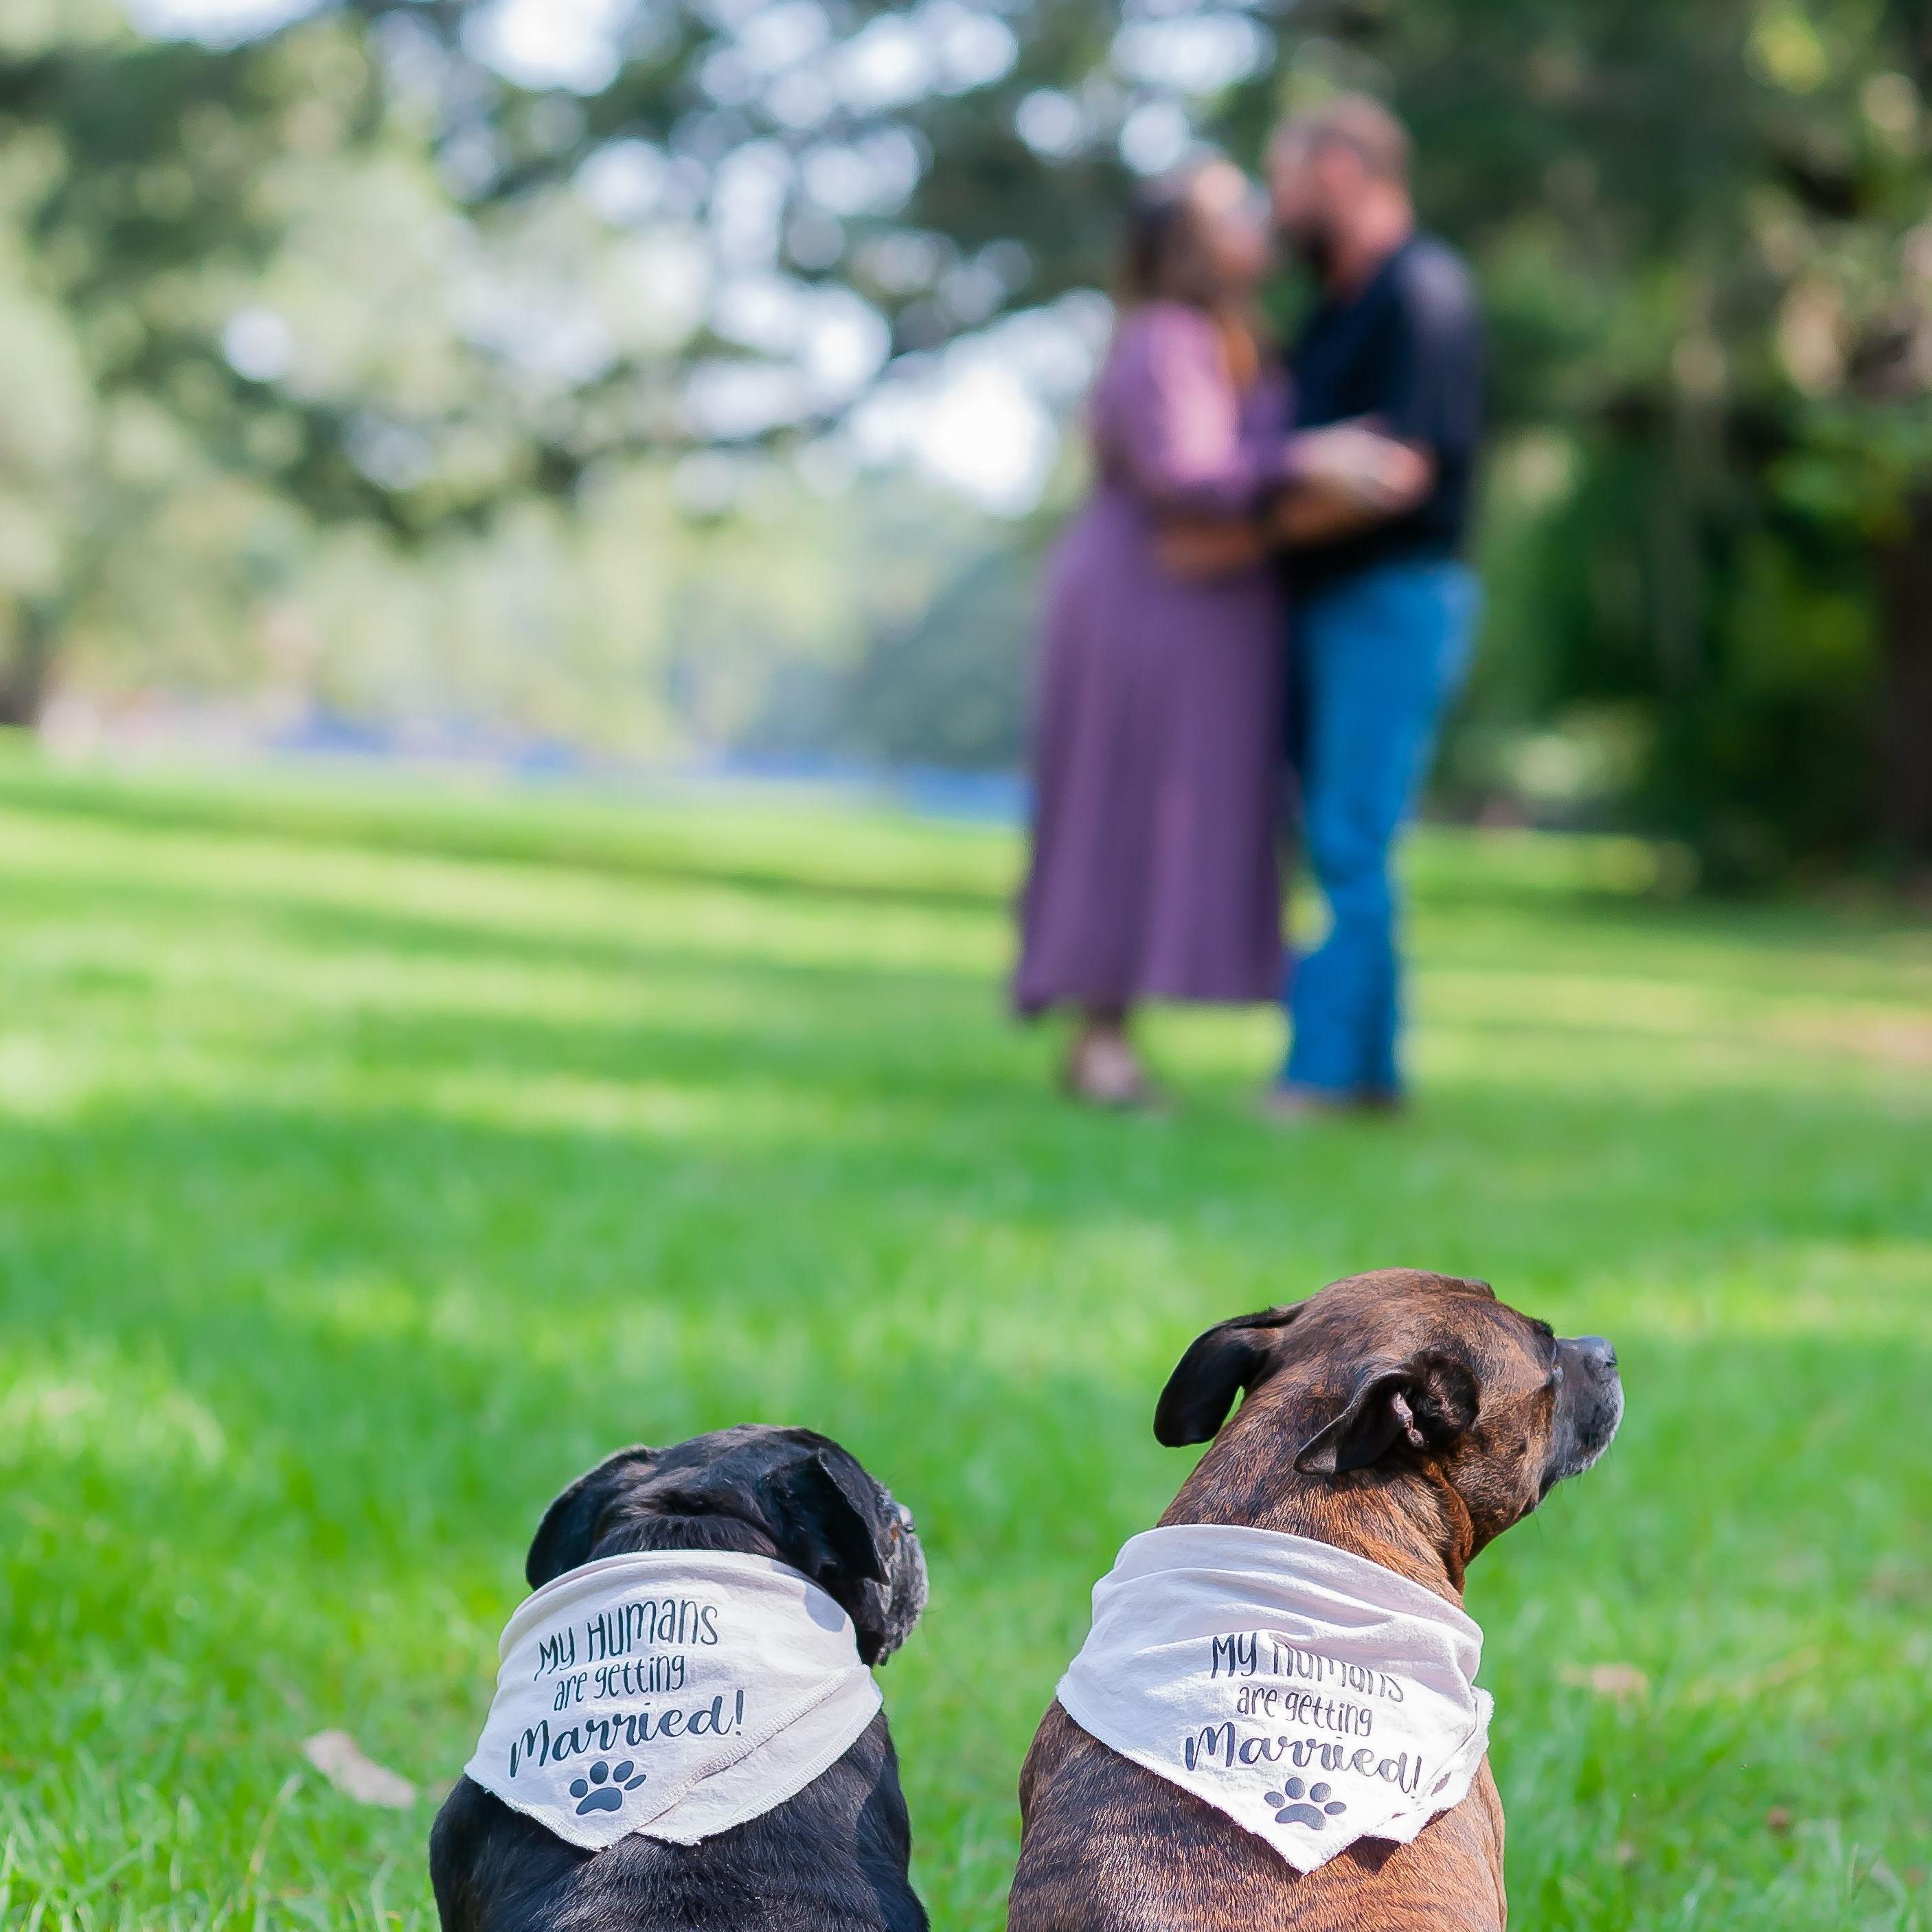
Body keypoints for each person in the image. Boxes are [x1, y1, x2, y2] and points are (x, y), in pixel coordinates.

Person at [1013, 157, 1422, 1107]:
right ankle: (1097, 1038)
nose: (1259, 220)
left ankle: (1110, 1037)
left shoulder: (1232, 337)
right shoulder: (1165, 335)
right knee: (1119, 805)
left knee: (1166, 809)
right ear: (1188, 242)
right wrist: (1311, 460)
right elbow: (1186, 472)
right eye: (1235, 209)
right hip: (1143, 601)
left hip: (1198, 604)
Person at [1174, 98, 1486, 1117]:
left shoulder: (1421, 292)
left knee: (1351, 838)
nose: (1277, 206)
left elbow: (1398, 473)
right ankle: (1369, 1078)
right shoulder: (1331, 309)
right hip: (1324, 607)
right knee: (1340, 839)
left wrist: (1249, 534)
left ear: (1342, 172)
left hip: (1392, 601)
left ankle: (1312, 1078)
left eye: (1287, 179)